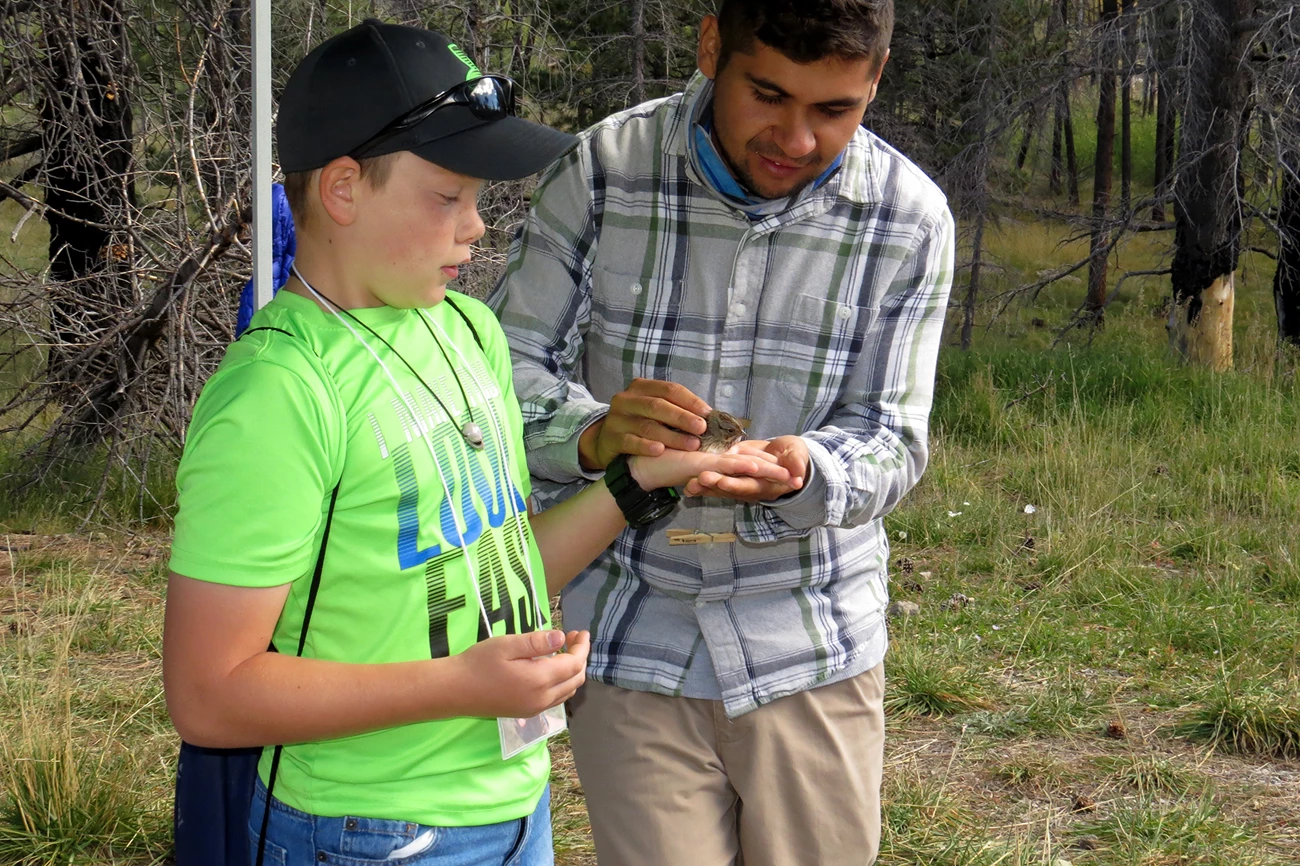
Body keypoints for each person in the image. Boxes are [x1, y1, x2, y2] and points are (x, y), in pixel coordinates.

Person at [162, 19, 788, 866]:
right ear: (344, 190)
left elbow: (502, 560)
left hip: (514, 803)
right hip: (364, 829)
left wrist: (640, 480)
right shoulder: (278, 394)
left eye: (479, 201)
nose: (476, 229)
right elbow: (209, 695)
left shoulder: (465, 331)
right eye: (447, 198)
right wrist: (461, 686)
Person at [489, 0, 955, 863]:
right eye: (768, 95)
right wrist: (595, 438)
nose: (797, 139)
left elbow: (893, 435)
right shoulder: (604, 169)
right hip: (629, 632)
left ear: (876, 78)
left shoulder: (910, 218)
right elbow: (499, 378)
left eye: (834, 110)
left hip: (812, 646)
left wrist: (810, 471)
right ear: (711, 47)